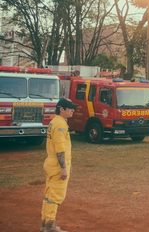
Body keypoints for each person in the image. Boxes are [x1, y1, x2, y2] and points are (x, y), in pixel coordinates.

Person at [41, 98, 77, 232]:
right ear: (62, 109)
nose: (72, 110)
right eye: (70, 108)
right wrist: (63, 168)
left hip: (51, 163)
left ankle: (45, 224)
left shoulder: (54, 122)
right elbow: (60, 149)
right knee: (55, 196)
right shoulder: (60, 124)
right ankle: (50, 227)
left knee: (49, 194)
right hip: (57, 165)